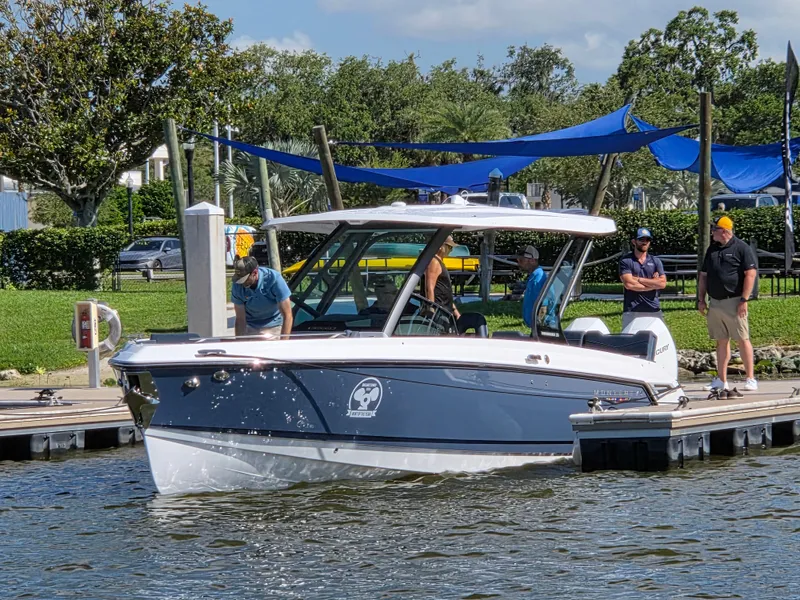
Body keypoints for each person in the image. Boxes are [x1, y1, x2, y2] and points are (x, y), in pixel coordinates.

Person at [698, 215, 758, 392]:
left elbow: (751, 274)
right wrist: (701, 299)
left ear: (723, 231)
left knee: (742, 339)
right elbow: (704, 275)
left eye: (715, 229)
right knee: (721, 341)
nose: (712, 232)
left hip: (735, 301)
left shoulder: (741, 248)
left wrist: (744, 299)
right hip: (715, 302)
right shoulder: (712, 249)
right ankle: (721, 380)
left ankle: (751, 378)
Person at [231, 256, 293, 338]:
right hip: (250, 325)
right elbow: (240, 319)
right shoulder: (237, 285)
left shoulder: (274, 279)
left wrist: (283, 343)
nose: (242, 283)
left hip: (274, 325)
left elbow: (288, 315)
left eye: (245, 279)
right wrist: (239, 343)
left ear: (255, 272)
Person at [619, 227, 667, 329]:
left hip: (654, 309)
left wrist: (639, 279)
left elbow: (662, 283)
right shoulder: (626, 261)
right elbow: (629, 284)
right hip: (632, 311)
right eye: (641, 239)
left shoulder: (655, 261)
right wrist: (653, 284)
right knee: (629, 343)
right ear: (634, 241)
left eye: (647, 240)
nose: (644, 242)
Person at [423, 235, 461, 319]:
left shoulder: (439, 262)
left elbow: (445, 289)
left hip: (446, 310)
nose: (451, 250)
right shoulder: (434, 262)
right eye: (449, 247)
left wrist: (455, 312)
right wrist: (431, 309)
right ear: (441, 246)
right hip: (438, 312)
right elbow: (429, 287)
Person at [517, 245, 546, 328]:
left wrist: (539, 326)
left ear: (533, 260)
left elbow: (543, 305)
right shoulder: (534, 276)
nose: (518, 263)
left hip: (538, 328)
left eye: (521, 260)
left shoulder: (538, 279)